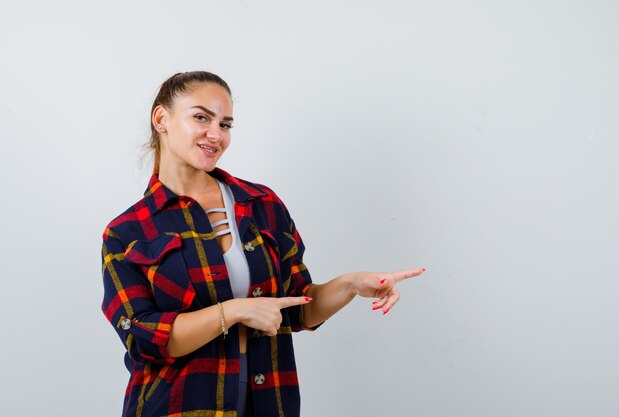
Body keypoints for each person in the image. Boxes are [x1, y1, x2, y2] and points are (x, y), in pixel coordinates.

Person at [101, 71, 425, 417]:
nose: (216, 135)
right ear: (161, 119)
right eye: (201, 118)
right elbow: (144, 339)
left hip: (268, 401)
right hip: (177, 407)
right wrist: (236, 310)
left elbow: (298, 308)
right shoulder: (126, 232)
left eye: (225, 125)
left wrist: (350, 284)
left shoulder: (261, 204)